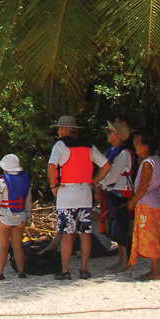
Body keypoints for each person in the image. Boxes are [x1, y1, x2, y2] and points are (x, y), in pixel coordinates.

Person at [47, 115, 107, 280]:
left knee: (67, 233)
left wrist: (53, 186)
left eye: (59, 129)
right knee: (84, 233)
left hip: (67, 194)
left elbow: (52, 167)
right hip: (84, 193)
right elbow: (106, 165)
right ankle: (84, 269)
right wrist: (94, 181)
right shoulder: (89, 146)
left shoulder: (61, 145)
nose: (59, 132)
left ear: (64, 129)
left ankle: (66, 270)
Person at [94, 119, 139, 271]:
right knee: (115, 226)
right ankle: (121, 259)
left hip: (121, 193)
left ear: (118, 136)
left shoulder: (124, 153)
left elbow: (113, 175)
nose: (108, 134)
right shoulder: (112, 151)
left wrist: (97, 182)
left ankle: (127, 261)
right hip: (112, 192)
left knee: (122, 225)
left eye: (111, 132)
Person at [126, 131, 160, 280]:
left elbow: (143, 189)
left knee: (150, 237)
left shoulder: (147, 165)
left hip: (148, 205)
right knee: (154, 236)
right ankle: (154, 269)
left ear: (145, 147)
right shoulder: (156, 160)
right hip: (159, 203)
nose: (135, 146)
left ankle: (156, 271)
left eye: (137, 143)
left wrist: (132, 202)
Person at [0, 154, 33, 280]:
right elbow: (28, 200)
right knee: (18, 245)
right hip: (21, 215)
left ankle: (0, 273)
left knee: (4, 247)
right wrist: (29, 217)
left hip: (5, 216)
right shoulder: (26, 179)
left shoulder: (2, 181)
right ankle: (21, 272)